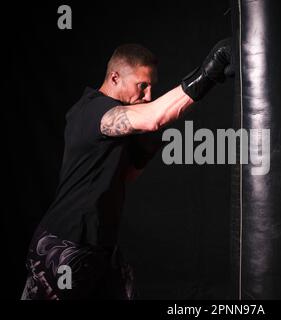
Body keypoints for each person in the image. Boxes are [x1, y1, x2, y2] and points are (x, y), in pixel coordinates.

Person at [21, 39, 233, 300]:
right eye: (141, 86)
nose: (147, 96)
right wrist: (208, 72)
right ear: (114, 77)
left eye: (151, 88)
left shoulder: (115, 126)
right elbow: (153, 116)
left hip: (101, 247)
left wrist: (149, 142)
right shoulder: (94, 111)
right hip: (63, 245)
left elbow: (125, 177)